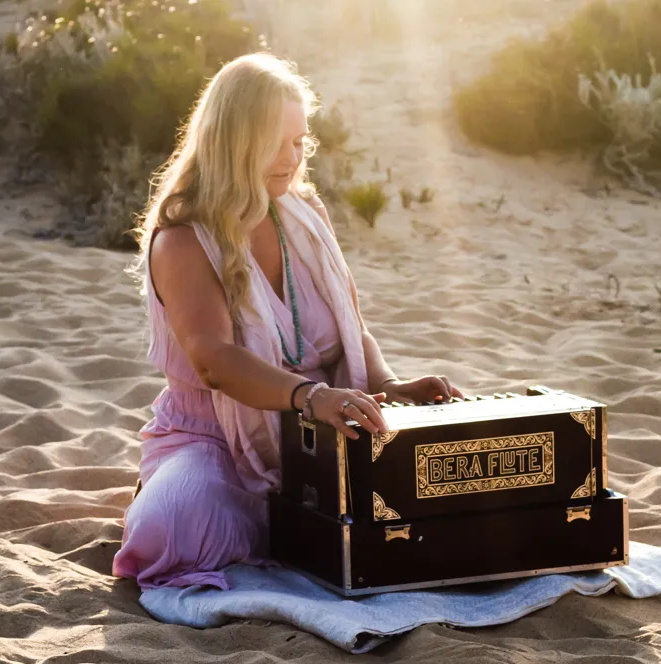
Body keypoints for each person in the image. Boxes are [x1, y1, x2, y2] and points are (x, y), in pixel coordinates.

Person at [112, 52, 463, 591]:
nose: (291, 157)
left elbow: (352, 329)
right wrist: (311, 397)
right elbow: (215, 362)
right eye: (274, 142)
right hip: (215, 440)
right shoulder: (184, 238)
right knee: (171, 528)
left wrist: (389, 383)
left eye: (299, 141)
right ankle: (180, 492)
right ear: (233, 140)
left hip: (321, 436)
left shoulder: (306, 215)